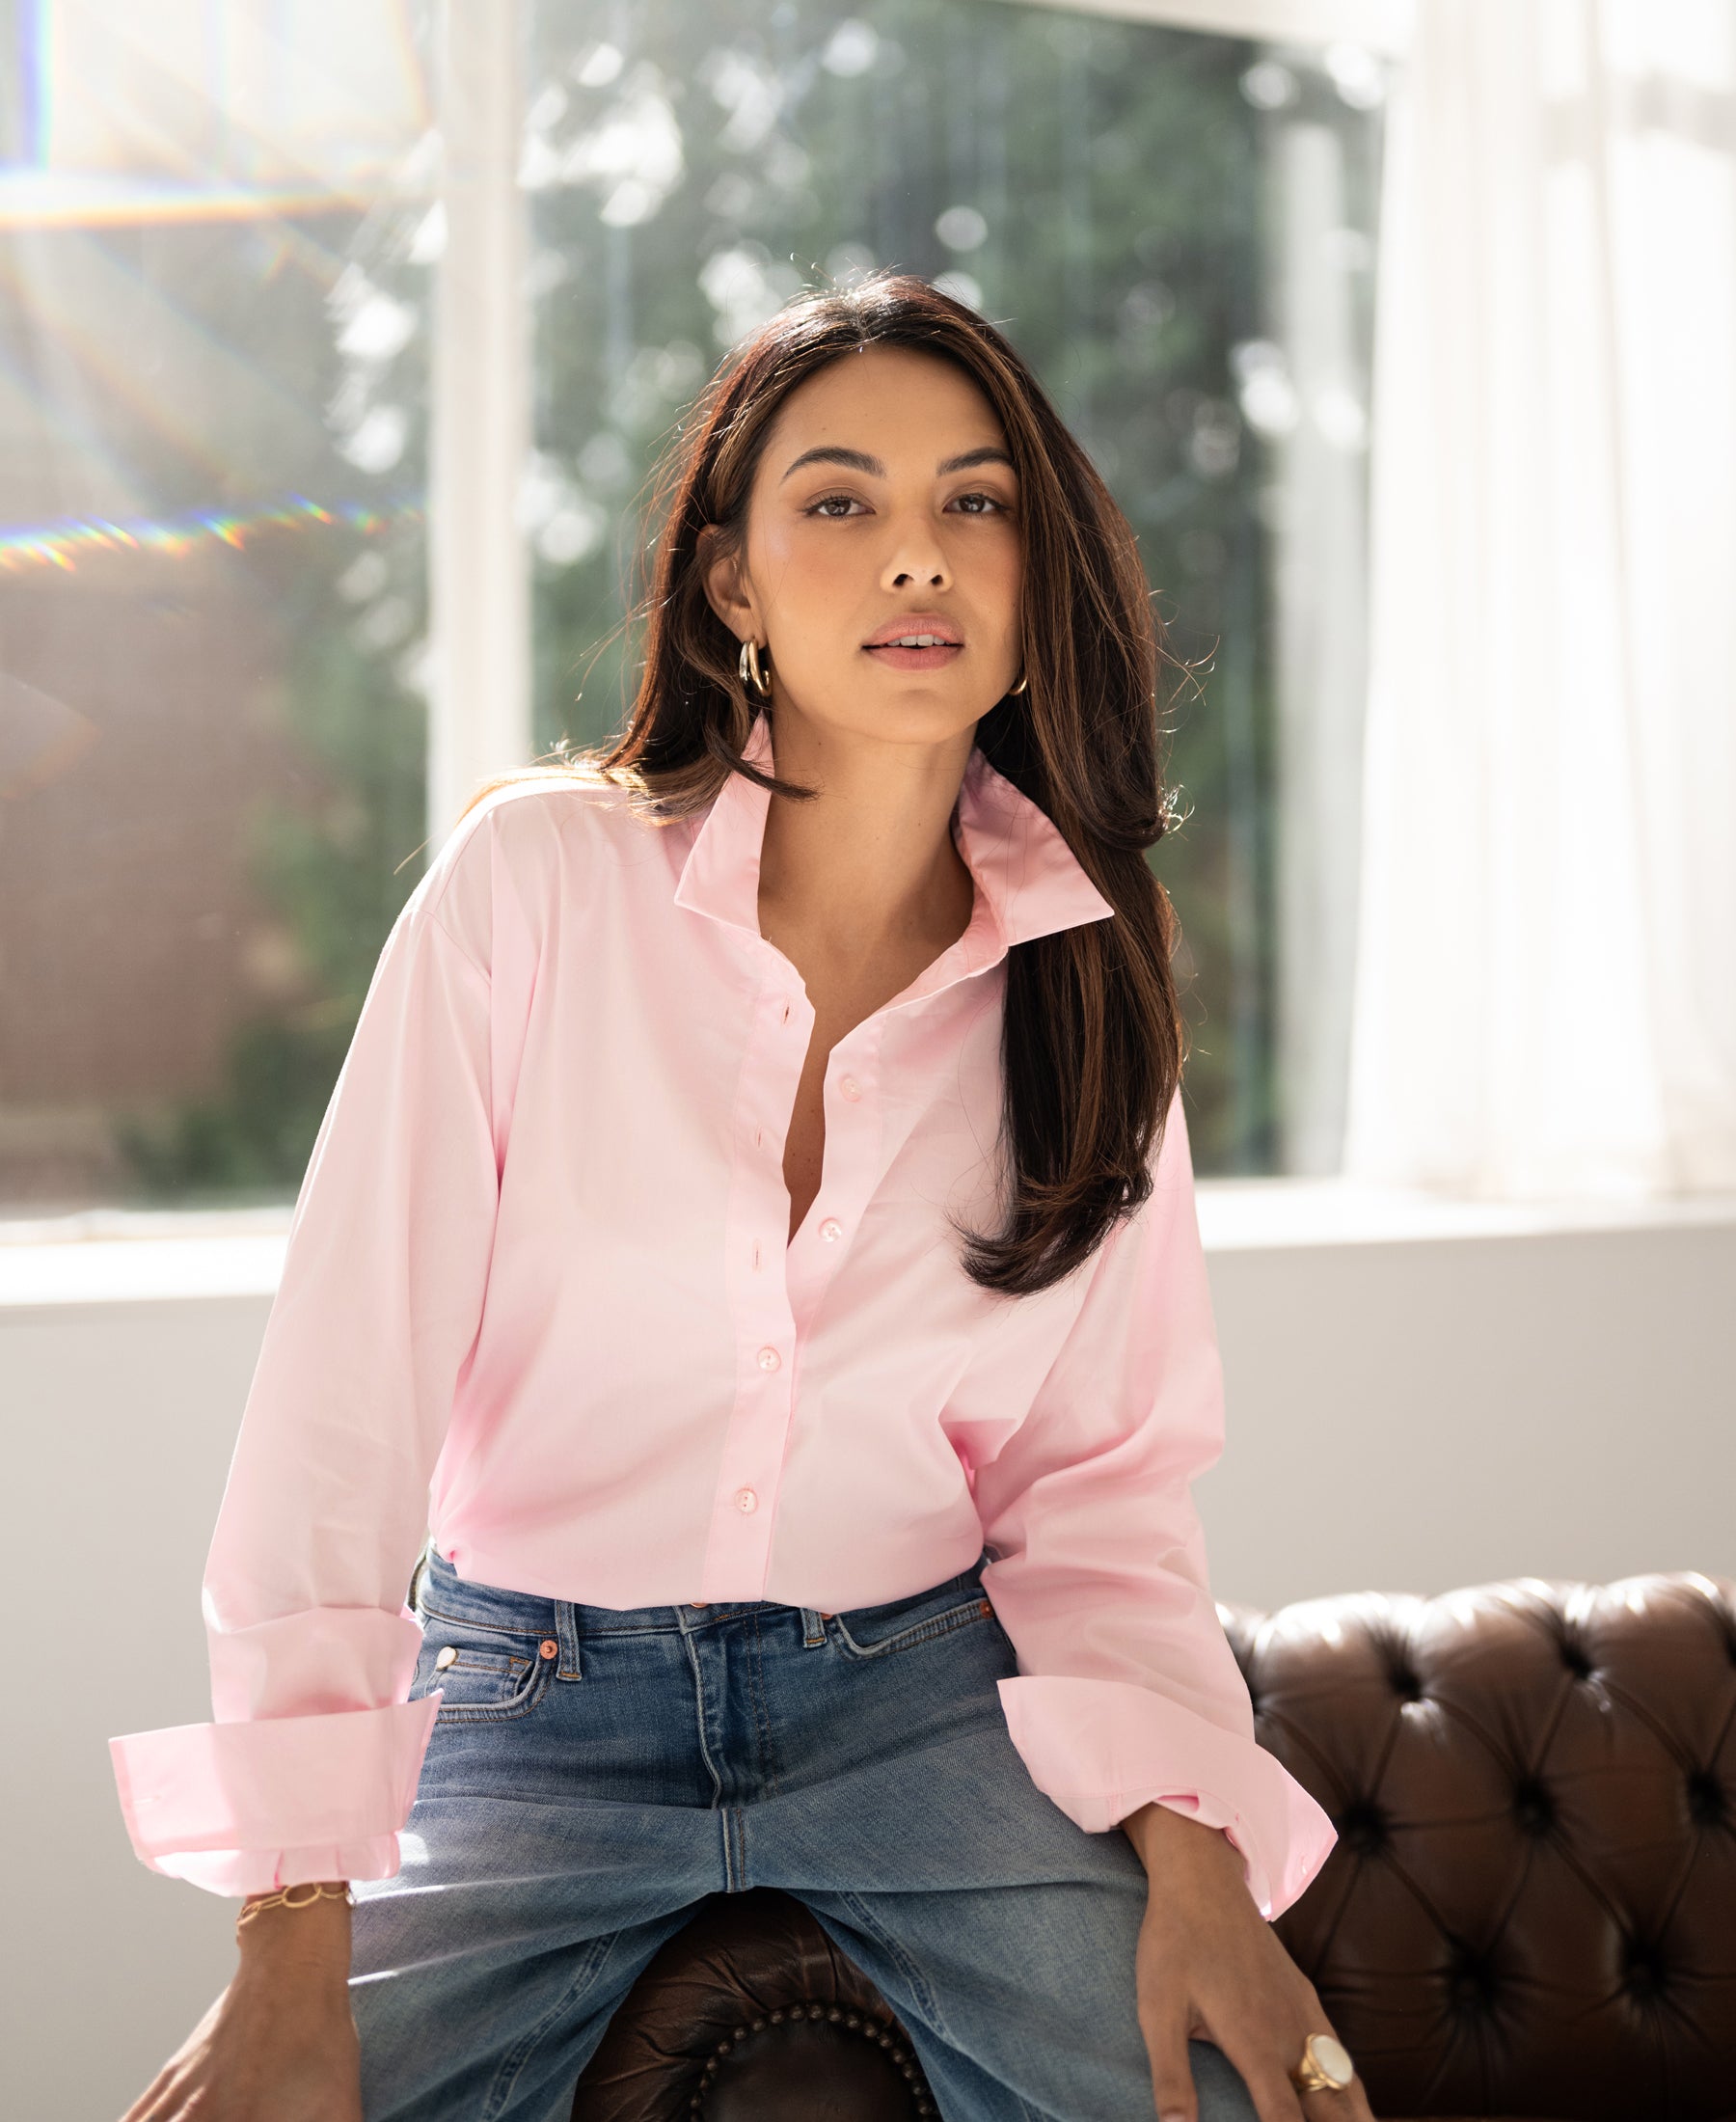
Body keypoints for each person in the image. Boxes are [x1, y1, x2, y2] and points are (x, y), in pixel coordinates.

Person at [112, 272, 1370, 2122]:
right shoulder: (533, 890)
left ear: (1039, 579)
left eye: (977, 503)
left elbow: (1099, 1486)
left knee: (1245, 2103)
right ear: (732, 588)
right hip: (527, 1707)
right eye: (841, 503)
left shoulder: (1093, 975)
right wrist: (287, 1932)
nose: (918, 559)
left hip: (922, 1704)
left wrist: (1198, 1854)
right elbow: (336, 1424)